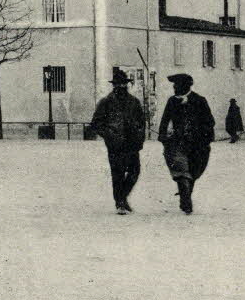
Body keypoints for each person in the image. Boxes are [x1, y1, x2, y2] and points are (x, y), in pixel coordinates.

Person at [89, 68, 147, 215]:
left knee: (135, 171)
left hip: (132, 143)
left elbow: (141, 121)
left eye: (123, 84)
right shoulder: (106, 102)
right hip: (115, 144)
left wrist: (139, 136)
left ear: (126, 85)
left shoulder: (134, 102)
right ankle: (120, 202)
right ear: (113, 85)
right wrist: (109, 135)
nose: (121, 87)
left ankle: (122, 197)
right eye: (117, 84)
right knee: (118, 173)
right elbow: (96, 123)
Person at [157, 73, 214, 214]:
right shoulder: (172, 101)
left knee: (193, 172)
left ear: (185, 86)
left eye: (176, 85)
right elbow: (165, 119)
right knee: (181, 172)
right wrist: (162, 135)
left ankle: (185, 195)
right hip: (178, 143)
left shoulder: (200, 100)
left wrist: (203, 135)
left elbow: (210, 121)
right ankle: (186, 201)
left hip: (197, 144)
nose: (174, 87)